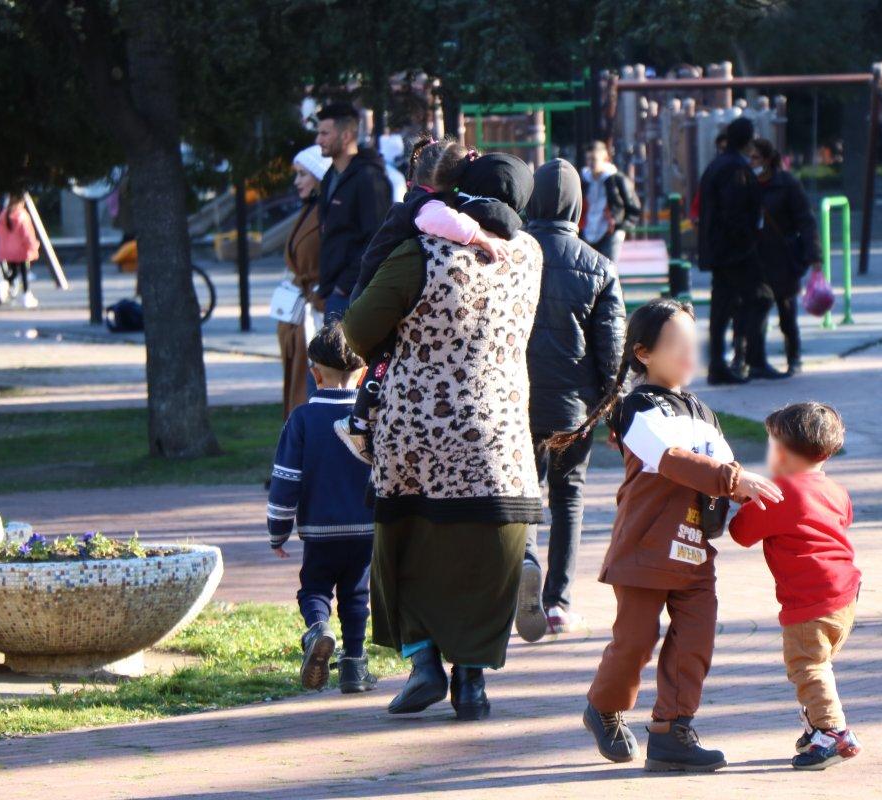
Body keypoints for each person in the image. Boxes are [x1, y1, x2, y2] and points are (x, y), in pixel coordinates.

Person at [342, 153, 543, 722]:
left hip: (418, 432)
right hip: (501, 435)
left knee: (405, 545)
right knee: (483, 555)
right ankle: (472, 683)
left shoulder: (423, 251)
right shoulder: (529, 255)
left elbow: (358, 329)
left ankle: (423, 662)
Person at [557, 298, 782, 772]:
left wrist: (751, 495)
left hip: (695, 551)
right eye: (677, 344)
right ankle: (603, 707)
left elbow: (726, 469)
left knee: (695, 641)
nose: (689, 354)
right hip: (645, 547)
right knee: (636, 640)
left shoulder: (702, 409)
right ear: (642, 353)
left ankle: (671, 731)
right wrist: (732, 480)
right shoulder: (637, 407)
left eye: (693, 344)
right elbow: (671, 459)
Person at [337, 138, 507, 462]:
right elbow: (442, 222)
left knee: (382, 358)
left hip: (370, 282)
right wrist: (481, 237)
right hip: (372, 287)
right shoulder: (426, 206)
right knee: (382, 356)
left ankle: (360, 419)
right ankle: (358, 421)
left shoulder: (417, 197)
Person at [517, 158, 626, 641]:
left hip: (514, 402)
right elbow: (613, 352)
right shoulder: (599, 267)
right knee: (568, 497)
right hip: (573, 411)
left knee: (522, 496)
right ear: (579, 207)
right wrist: (613, 409)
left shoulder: (508, 256)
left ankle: (523, 564)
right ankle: (558, 602)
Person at [729, 402, 862, 771]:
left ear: (782, 450)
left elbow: (741, 534)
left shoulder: (780, 491)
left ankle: (832, 733)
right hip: (845, 594)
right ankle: (816, 725)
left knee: (807, 666)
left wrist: (743, 498)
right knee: (819, 663)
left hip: (809, 599)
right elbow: (842, 520)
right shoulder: (835, 490)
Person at [267, 321, 378, 694]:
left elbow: (286, 480)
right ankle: (354, 666)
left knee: (314, 588)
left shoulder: (302, 420)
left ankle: (318, 629)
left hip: (319, 530)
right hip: (366, 528)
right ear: (362, 373)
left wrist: (278, 531)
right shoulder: (372, 419)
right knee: (356, 595)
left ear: (314, 374)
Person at [697, 117, 764, 385]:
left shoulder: (718, 165)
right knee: (746, 302)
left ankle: (723, 361)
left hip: (720, 250)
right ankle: (740, 359)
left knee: (723, 306)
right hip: (733, 252)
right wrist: (748, 239)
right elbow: (734, 211)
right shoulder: (735, 168)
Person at [314, 102, 394, 320]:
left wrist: (344, 286)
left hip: (354, 293)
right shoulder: (330, 176)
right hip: (334, 291)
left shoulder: (369, 178)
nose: (318, 140)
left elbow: (378, 238)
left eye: (324, 133)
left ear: (346, 135)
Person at [752, 138, 822, 376]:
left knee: (786, 312)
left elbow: (806, 220)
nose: (752, 163)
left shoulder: (787, 184)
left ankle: (794, 357)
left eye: (756, 158)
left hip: (783, 258)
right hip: (755, 258)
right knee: (754, 312)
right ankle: (754, 361)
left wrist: (815, 255)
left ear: (768, 160)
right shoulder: (746, 184)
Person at [279, 146, 332, 419]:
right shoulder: (308, 211)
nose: (297, 181)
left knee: (312, 386)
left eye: (303, 174)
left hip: (316, 309)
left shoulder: (324, 214)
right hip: (301, 310)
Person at [580, 141, 641, 263]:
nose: (591, 163)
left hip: (610, 231)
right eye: (588, 159)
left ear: (605, 159)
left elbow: (633, 206)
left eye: (594, 159)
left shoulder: (616, 179)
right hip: (587, 230)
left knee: (609, 268)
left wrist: (620, 226)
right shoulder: (584, 181)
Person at [0, 195, 40, 309]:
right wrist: (33, 246)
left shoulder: (4, 214)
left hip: (7, 250)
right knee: (24, 273)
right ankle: (26, 295)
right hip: (22, 250)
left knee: (14, 272)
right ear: (21, 203)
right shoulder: (22, 215)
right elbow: (27, 234)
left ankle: (4, 284)